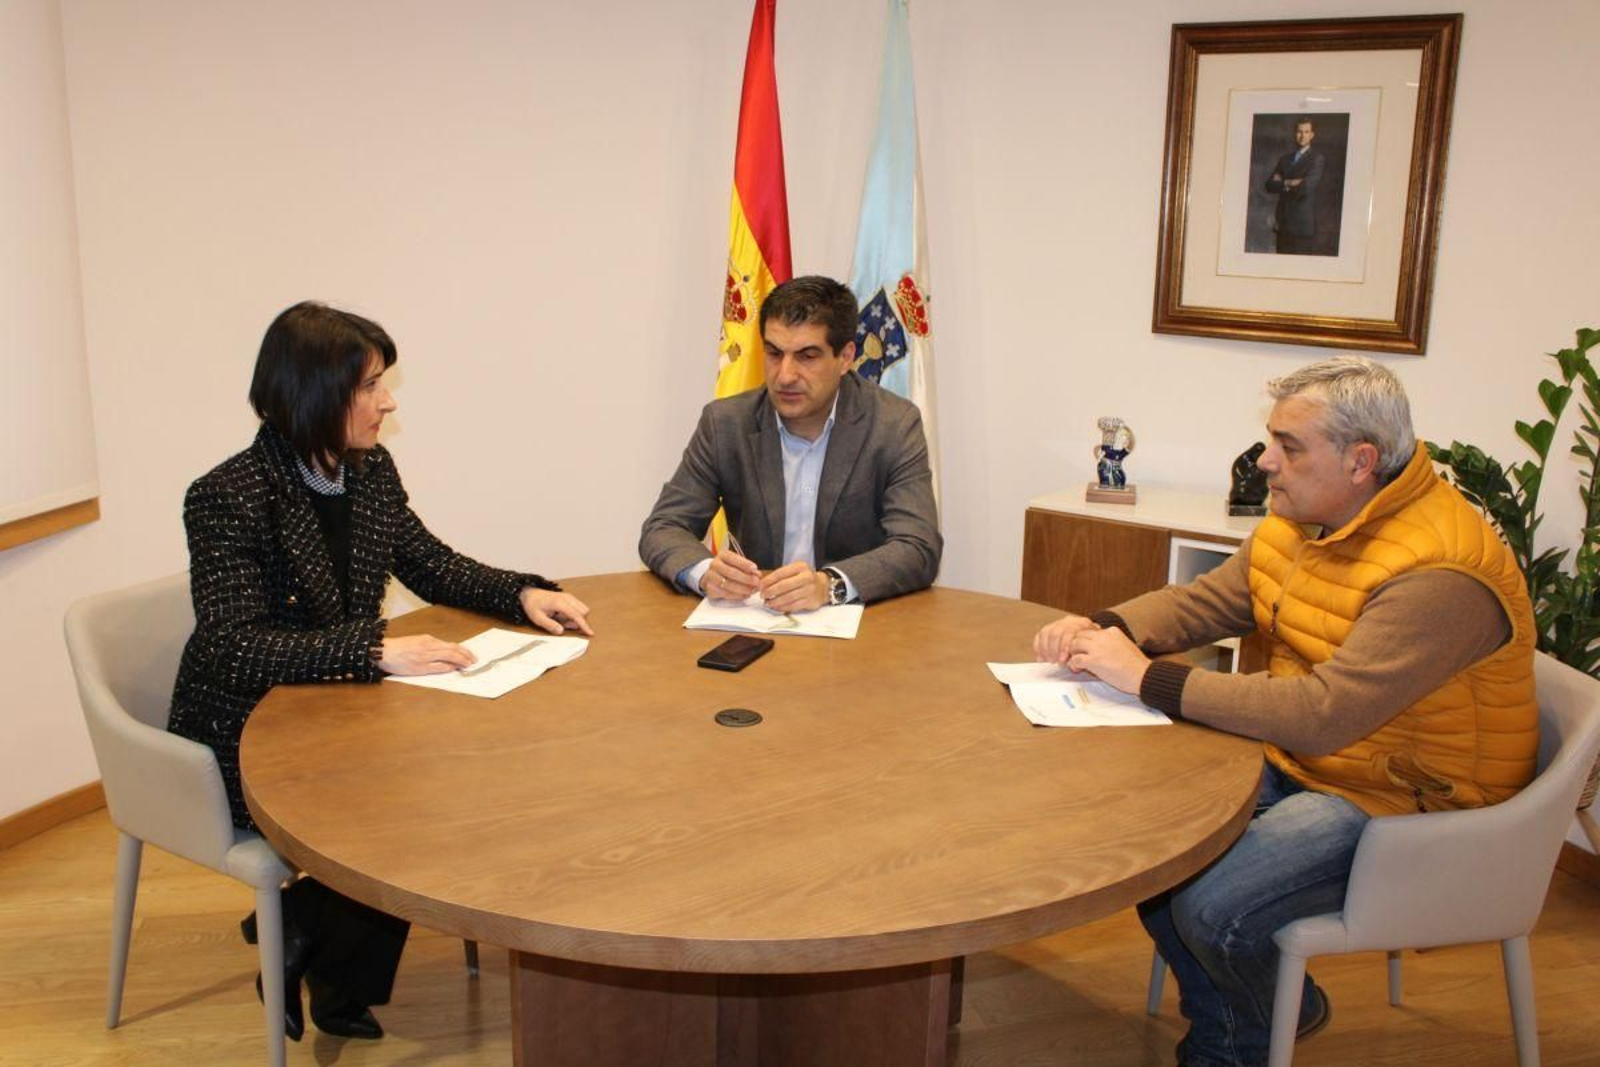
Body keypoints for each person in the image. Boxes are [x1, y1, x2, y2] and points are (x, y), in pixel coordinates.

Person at [1033, 356, 1537, 1067]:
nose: (1265, 461)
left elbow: (1325, 713)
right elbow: (1206, 603)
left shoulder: (1438, 574)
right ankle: (1272, 1004)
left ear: (1361, 461)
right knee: (1154, 856)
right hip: (1314, 760)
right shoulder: (1305, 519)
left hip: (1412, 799)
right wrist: (1102, 625)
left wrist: (1146, 677)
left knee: (1211, 906)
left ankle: (1230, 1043)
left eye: (1289, 446)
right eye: (1272, 439)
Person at [167, 301, 592, 1042]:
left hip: (347, 711)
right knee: (401, 804)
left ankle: (308, 939)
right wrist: (371, 650)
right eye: (369, 385)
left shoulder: (368, 471)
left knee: (439, 776)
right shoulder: (227, 495)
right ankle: (322, 955)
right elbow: (231, 644)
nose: (387, 401)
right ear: (313, 394)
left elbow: (429, 562)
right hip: (251, 723)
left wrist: (522, 592)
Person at [639, 275, 941, 609]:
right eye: (774, 353)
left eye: (807, 356)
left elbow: (918, 545)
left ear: (845, 357)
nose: (785, 375)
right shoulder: (726, 424)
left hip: (858, 633)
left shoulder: (893, 424)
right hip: (756, 622)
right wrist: (706, 572)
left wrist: (829, 585)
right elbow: (664, 527)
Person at [1264, 118, 1325, 255]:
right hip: (1282, 223)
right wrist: (1288, 182)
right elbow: (1269, 185)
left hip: (1302, 226)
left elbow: (1306, 187)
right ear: (1294, 134)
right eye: (1299, 131)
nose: (1302, 135)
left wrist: (1282, 182)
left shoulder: (1317, 159)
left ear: (1312, 135)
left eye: (1306, 132)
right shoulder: (1285, 159)